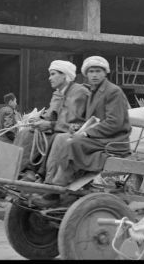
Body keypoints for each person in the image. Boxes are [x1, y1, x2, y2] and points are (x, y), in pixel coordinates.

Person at [35, 56, 131, 205]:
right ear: (86, 74)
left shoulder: (113, 92)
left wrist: (87, 132)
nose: (94, 75)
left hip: (114, 140)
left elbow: (115, 123)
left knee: (72, 143)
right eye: (91, 71)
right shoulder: (92, 91)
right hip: (99, 138)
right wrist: (79, 127)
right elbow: (92, 119)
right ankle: (54, 184)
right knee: (64, 138)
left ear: (105, 73)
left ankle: (55, 191)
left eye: (98, 71)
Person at [14, 60, 89, 181]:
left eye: (53, 74)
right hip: (57, 130)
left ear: (65, 75)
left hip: (71, 133)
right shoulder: (59, 93)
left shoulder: (79, 92)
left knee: (32, 136)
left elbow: (74, 122)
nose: (50, 78)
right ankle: (22, 171)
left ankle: (27, 172)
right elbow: (51, 114)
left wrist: (49, 124)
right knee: (25, 132)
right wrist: (38, 120)